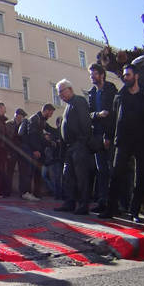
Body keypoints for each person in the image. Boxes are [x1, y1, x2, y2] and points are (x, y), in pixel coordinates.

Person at [98, 65, 144, 221]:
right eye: (124, 75)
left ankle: (135, 211)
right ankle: (110, 209)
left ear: (136, 76)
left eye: (128, 75)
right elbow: (113, 119)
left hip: (142, 142)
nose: (125, 78)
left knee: (141, 177)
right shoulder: (120, 96)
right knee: (116, 175)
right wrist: (108, 136)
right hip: (123, 141)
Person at [54, 79, 93, 215]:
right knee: (68, 176)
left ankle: (83, 204)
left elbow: (85, 123)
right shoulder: (69, 105)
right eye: (58, 92)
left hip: (79, 145)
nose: (59, 95)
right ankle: (70, 202)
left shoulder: (79, 101)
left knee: (81, 176)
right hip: (70, 147)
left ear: (69, 89)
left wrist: (83, 141)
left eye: (61, 91)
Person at [87, 63, 118, 213]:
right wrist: (97, 115)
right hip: (97, 136)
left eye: (94, 74)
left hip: (110, 136)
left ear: (101, 74)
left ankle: (114, 203)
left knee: (112, 170)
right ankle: (102, 201)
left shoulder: (111, 89)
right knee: (101, 171)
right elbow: (89, 114)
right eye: (90, 75)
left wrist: (108, 136)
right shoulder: (92, 92)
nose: (92, 77)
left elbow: (114, 114)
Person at [18, 104, 55, 201]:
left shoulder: (41, 120)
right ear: (46, 110)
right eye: (50, 113)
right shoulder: (35, 119)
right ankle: (26, 192)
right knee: (28, 172)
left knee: (37, 172)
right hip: (31, 150)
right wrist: (35, 149)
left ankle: (36, 193)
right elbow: (32, 135)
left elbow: (50, 130)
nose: (51, 115)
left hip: (36, 150)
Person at [3, 108, 27, 197]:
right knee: (9, 171)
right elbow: (7, 138)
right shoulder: (9, 124)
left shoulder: (23, 126)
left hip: (20, 151)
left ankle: (22, 192)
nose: (23, 118)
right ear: (17, 115)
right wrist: (8, 152)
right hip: (11, 151)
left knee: (23, 172)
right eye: (22, 116)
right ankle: (7, 191)